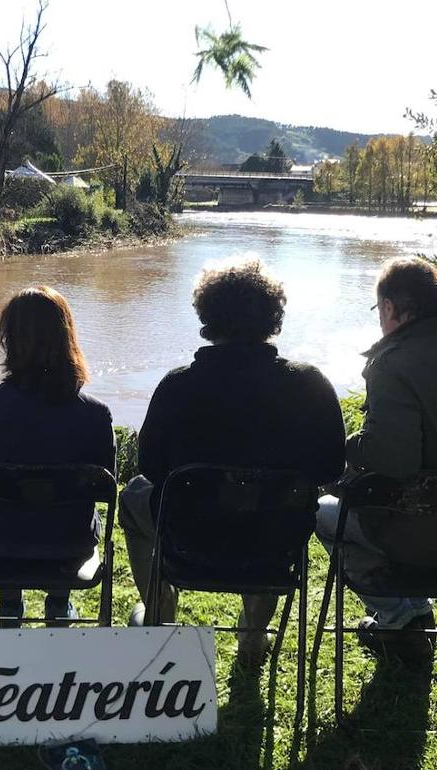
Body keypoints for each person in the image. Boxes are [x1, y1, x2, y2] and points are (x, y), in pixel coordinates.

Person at [121, 259, 346, 664]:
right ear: (273, 318)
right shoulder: (310, 385)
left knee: (133, 495)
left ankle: (158, 613)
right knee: (275, 509)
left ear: (207, 318)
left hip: (189, 538)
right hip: (272, 544)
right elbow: (332, 469)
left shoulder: (177, 385)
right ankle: (254, 636)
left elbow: (151, 469)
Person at [317, 256, 437, 664]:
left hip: (419, 531)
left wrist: (347, 446)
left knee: (321, 514)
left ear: (389, 308)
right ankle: (415, 610)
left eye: (378, 310)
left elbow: (393, 461)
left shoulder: (392, 363)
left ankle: (397, 616)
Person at [0, 286, 115, 627]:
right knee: (66, 506)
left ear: (8, 340)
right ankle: (59, 603)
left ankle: (9, 604)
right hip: (70, 547)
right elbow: (106, 484)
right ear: (66, 338)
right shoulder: (95, 414)